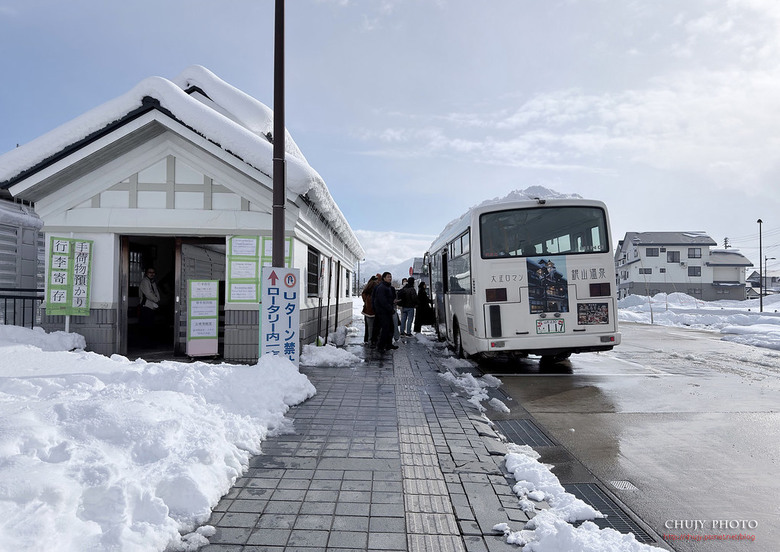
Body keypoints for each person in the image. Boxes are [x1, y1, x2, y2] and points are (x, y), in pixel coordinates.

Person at [372, 271, 398, 352]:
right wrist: (390, 309)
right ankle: (380, 346)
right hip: (382, 312)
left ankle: (388, 344)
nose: (390, 278)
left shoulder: (389, 287)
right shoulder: (382, 287)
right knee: (385, 329)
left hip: (387, 311)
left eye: (390, 277)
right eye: (388, 277)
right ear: (384, 278)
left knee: (391, 328)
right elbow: (382, 301)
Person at [138, 267, 161, 341]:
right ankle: (146, 343)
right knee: (146, 326)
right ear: (146, 273)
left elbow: (156, 291)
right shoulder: (145, 281)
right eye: (150, 272)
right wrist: (156, 299)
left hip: (151, 306)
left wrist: (158, 299)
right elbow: (148, 294)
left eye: (153, 272)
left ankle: (149, 343)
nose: (152, 274)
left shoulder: (152, 282)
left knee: (150, 325)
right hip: (146, 306)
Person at [361, 275, 379, 344]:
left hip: (367, 310)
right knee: (372, 327)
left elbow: (364, 294)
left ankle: (368, 340)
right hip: (371, 311)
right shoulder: (374, 285)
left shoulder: (369, 285)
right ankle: (371, 340)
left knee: (369, 327)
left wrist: (366, 301)